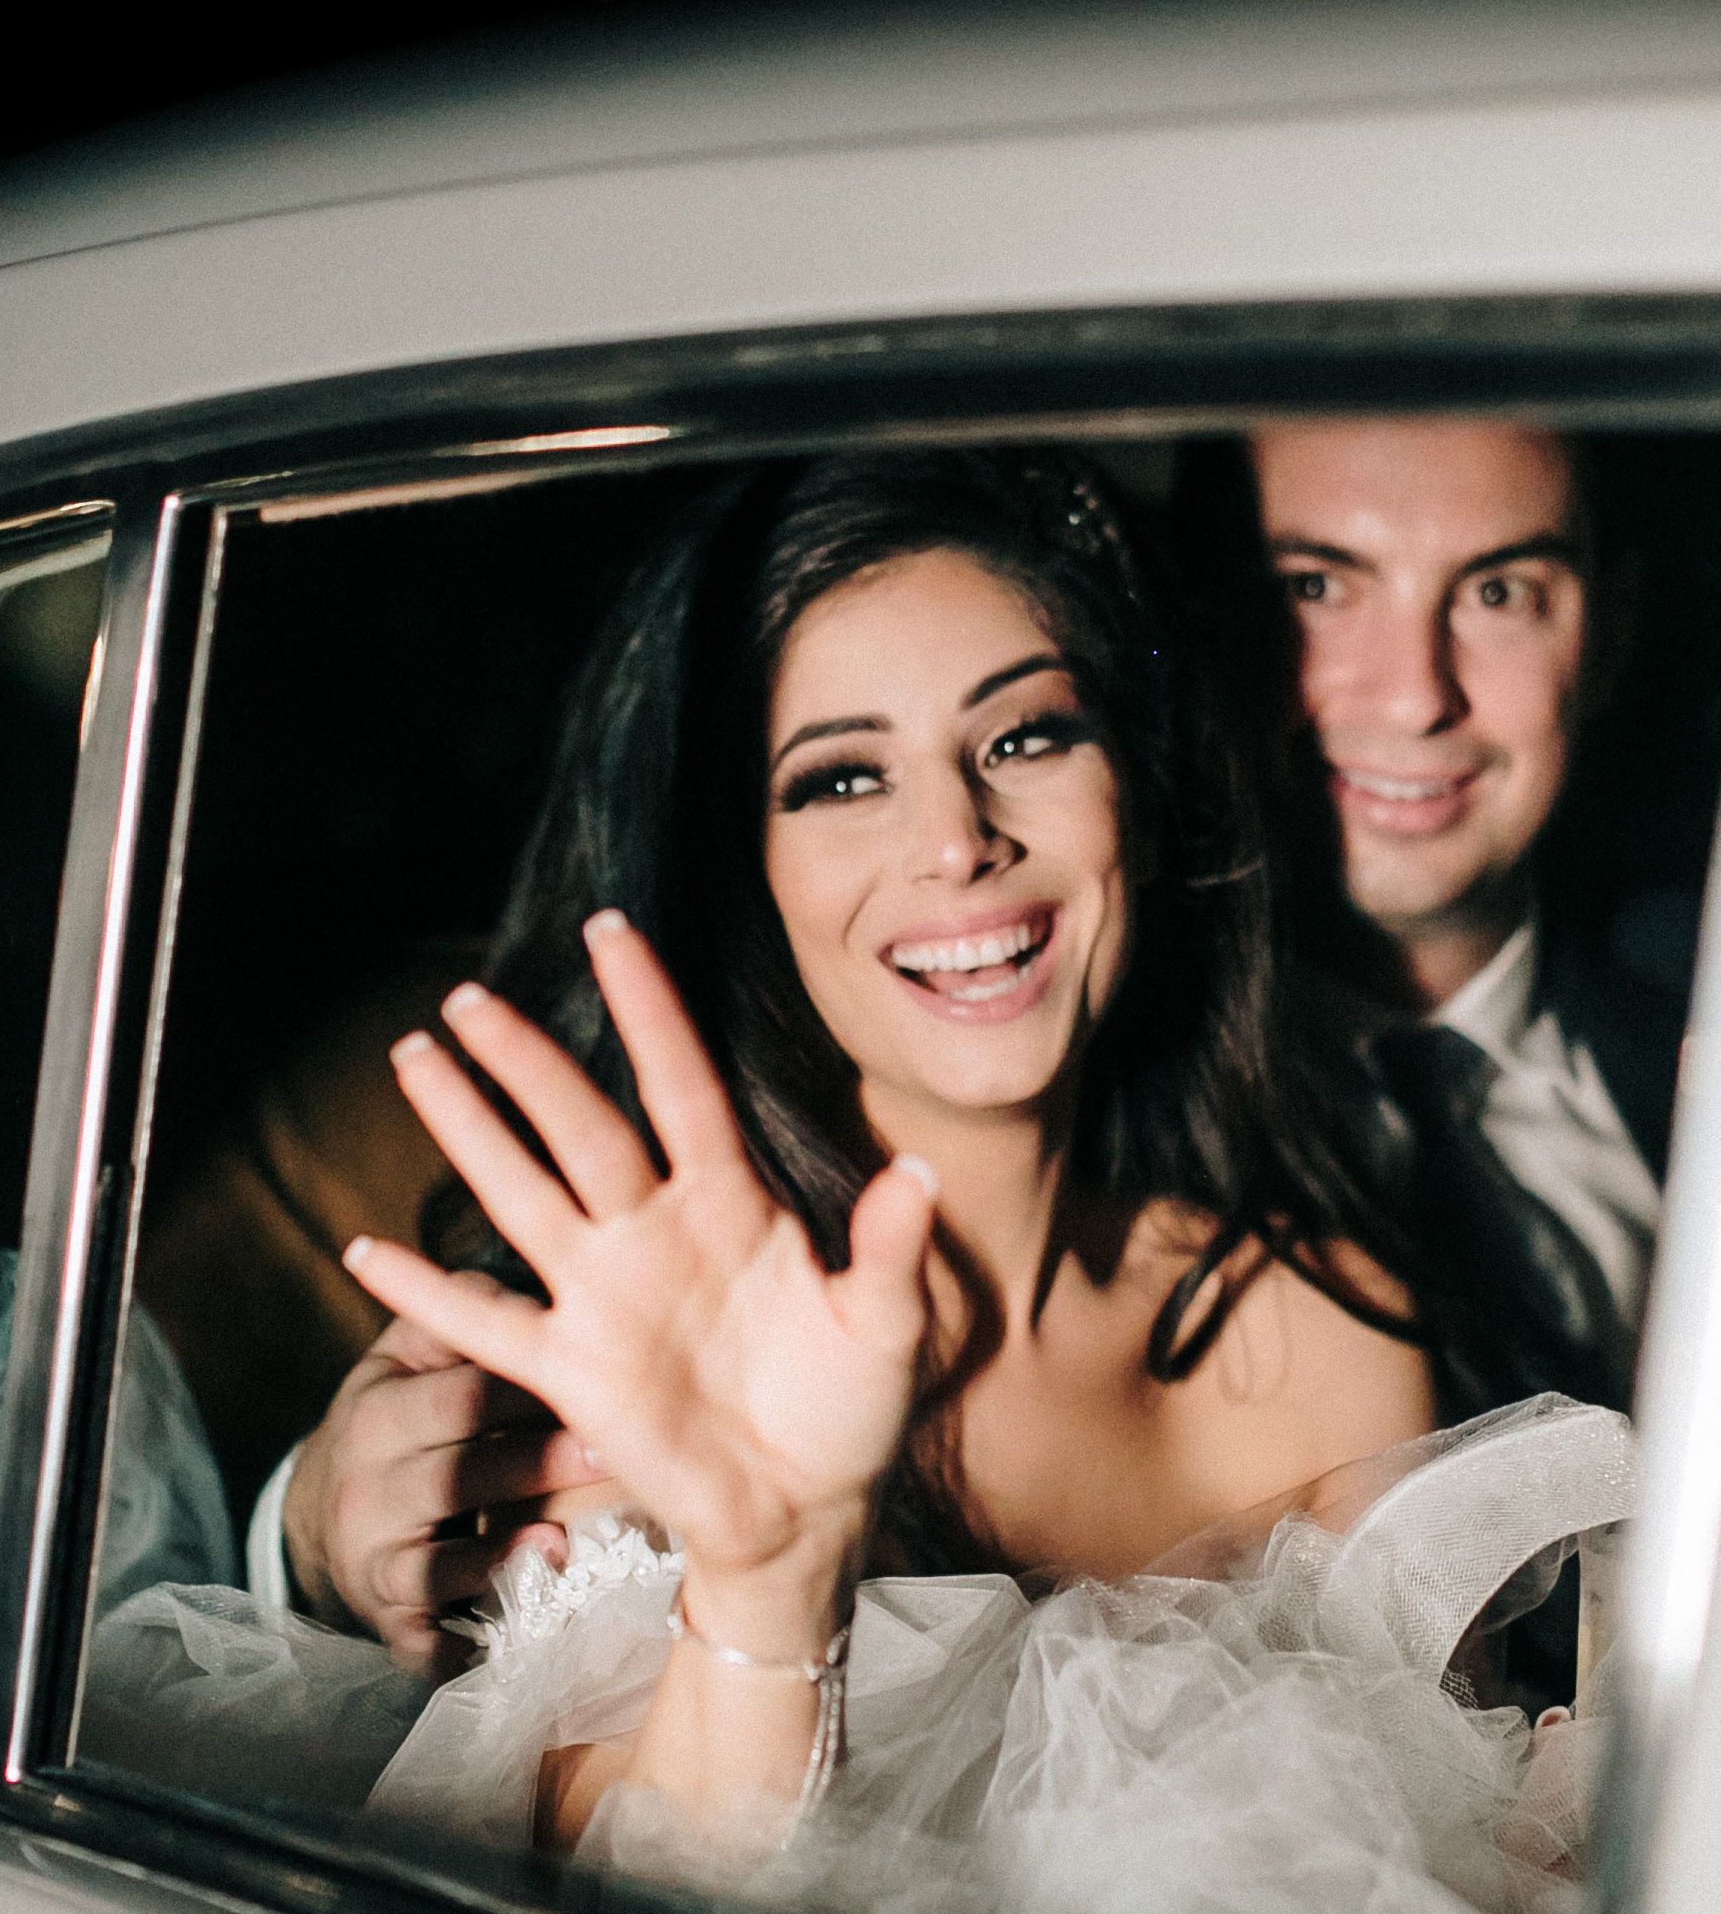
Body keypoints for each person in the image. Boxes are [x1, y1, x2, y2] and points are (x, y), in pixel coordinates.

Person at [330, 450, 1453, 1842]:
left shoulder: (1332, 1337)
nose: (956, 841)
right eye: (840, 779)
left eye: (1026, 736)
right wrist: (768, 1580)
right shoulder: (660, 1356)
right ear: (743, 879)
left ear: (1147, 807)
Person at [1239, 422, 1700, 1404]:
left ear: (1607, 635)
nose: (1416, 696)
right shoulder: (1071, 1139)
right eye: (1316, 587)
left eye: (1498, 593)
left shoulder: (1695, 1027)